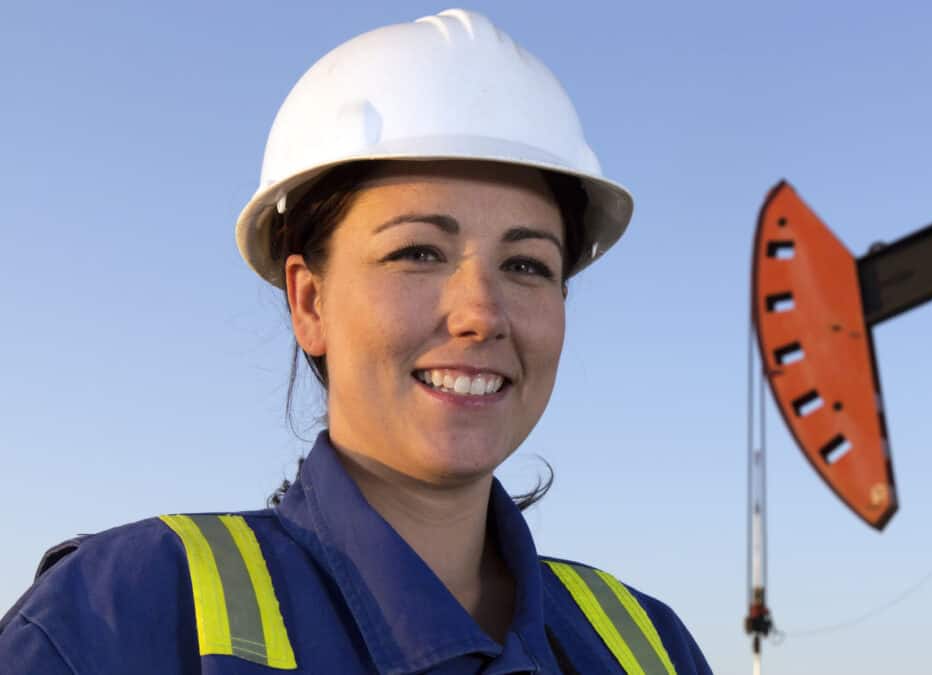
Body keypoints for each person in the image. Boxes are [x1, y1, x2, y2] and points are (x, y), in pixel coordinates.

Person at [0, 9, 712, 674]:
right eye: (418, 253)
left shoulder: (647, 648)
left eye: (526, 265)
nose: (480, 314)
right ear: (309, 300)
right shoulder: (118, 619)